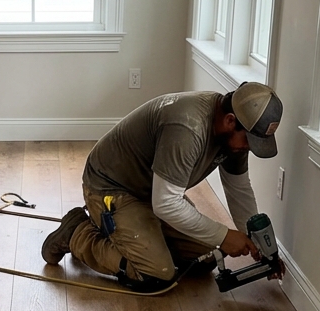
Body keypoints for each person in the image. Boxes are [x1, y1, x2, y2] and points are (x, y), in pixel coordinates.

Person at [41, 82, 282, 292]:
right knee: (156, 274)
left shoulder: (235, 137)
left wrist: (261, 247)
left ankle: (141, 237)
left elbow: (239, 191)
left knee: (206, 258)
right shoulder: (189, 127)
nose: (249, 148)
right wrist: (225, 235)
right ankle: (76, 232)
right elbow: (166, 203)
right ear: (231, 121)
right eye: (250, 141)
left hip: (154, 192)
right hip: (112, 187)